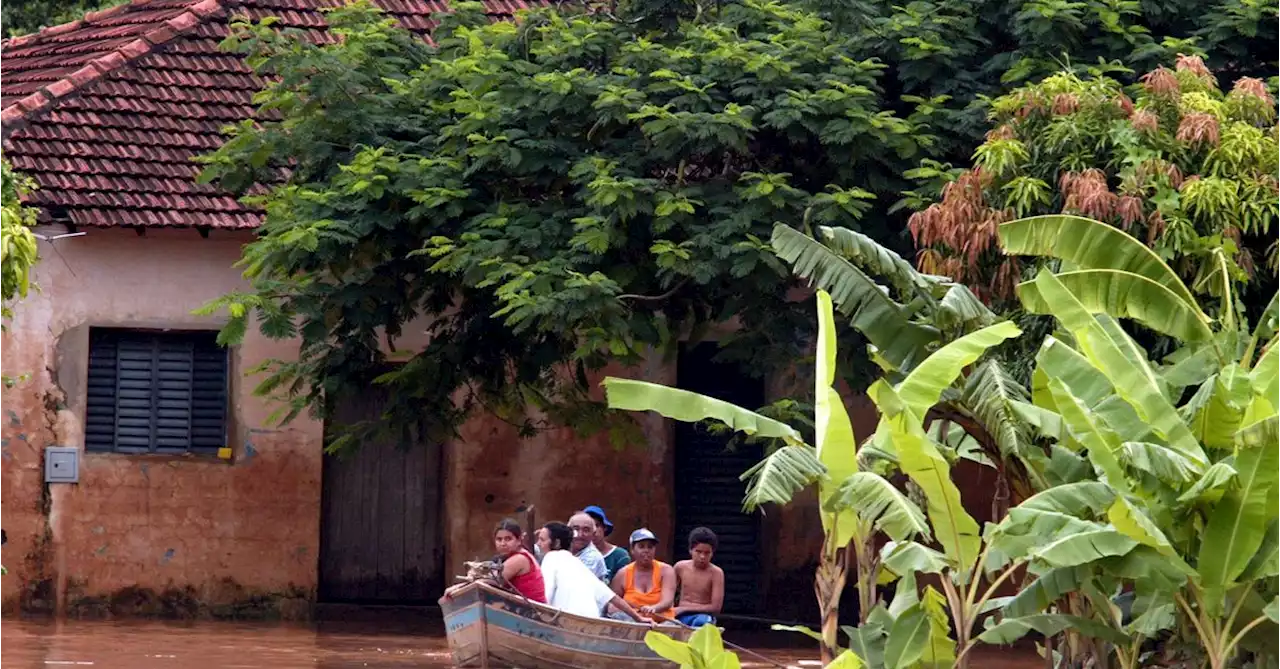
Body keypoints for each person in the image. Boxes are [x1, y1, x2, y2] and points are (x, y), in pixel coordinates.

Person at [536, 521, 651, 622]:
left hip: (565, 622)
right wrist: (638, 618)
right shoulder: (577, 564)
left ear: (556, 543)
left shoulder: (551, 557)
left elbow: (545, 595)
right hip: (591, 623)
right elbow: (612, 597)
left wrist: (535, 614)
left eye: (542, 540)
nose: (538, 544)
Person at [445, 518, 545, 603]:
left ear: (519, 540)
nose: (503, 543)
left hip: (534, 611)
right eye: (499, 539)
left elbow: (491, 581)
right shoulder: (510, 557)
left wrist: (458, 588)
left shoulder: (519, 559)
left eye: (508, 539)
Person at [610, 528, 676, 620]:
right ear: (632, 549)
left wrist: (653, 608)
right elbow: (613, 602)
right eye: (641, 546)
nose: (646, 550)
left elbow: (667, 601)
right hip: (632, 622)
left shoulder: (666, 570)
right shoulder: (623, 574)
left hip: (661, 622)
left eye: (650, 547)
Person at [673, 527, 724, 628]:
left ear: (712, 553)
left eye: (707, 553)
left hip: (703, 616)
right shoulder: (680, 567)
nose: (702, 557)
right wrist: (671, 608)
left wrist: (685, 608)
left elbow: (716, 607)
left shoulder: (716, 573)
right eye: (698, 552)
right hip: (679, 614)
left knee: (701, 623)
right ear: (690, 550)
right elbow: (668, 593)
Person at [583, 504, 631, 582]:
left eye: (597, 525)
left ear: (604, 528)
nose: (594, 530)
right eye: (588, 527)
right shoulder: (575, 555)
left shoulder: (619, 556)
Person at [569, 511, 609, 581]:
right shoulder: (562, 549)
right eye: (576, 529)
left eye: (586, 530)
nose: (580, 535)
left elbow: (575, 584)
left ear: (593, 534)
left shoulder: (593, 557)